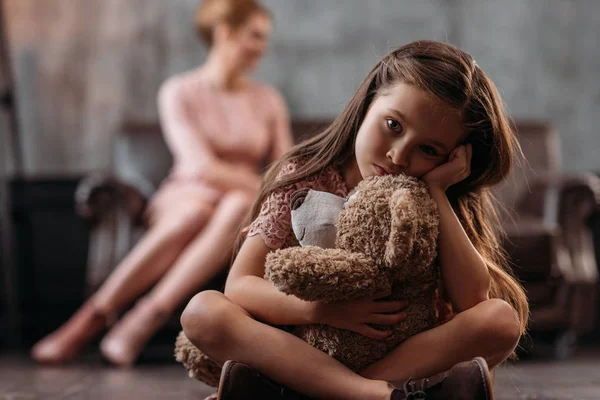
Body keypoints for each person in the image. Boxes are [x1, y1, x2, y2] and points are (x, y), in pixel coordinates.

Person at [180, 40, 529, 400]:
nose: (398, 155)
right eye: (393, 124)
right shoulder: (304, 177)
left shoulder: (425, 196)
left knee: (500, 320)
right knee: (202, 311)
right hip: (303, 346)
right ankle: (369, 394)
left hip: (392, 354)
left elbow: (474, 300)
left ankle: (315, 392)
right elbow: (240, 285)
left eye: (428, 150)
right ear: (369, 102)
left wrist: (438, 191)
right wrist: (324, 311)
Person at [32, 0, 292, 366]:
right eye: (255, 36)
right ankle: (92, 318)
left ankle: (142, 319)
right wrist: (253, 181)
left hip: (241, 202)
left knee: (234, 205)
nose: (262, 47)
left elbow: (284, 168)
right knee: (194, 212)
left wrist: (254, 185)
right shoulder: (178, 90)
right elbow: (200, 166)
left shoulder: (268, 100)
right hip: (187, 193)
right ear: (224, 32)